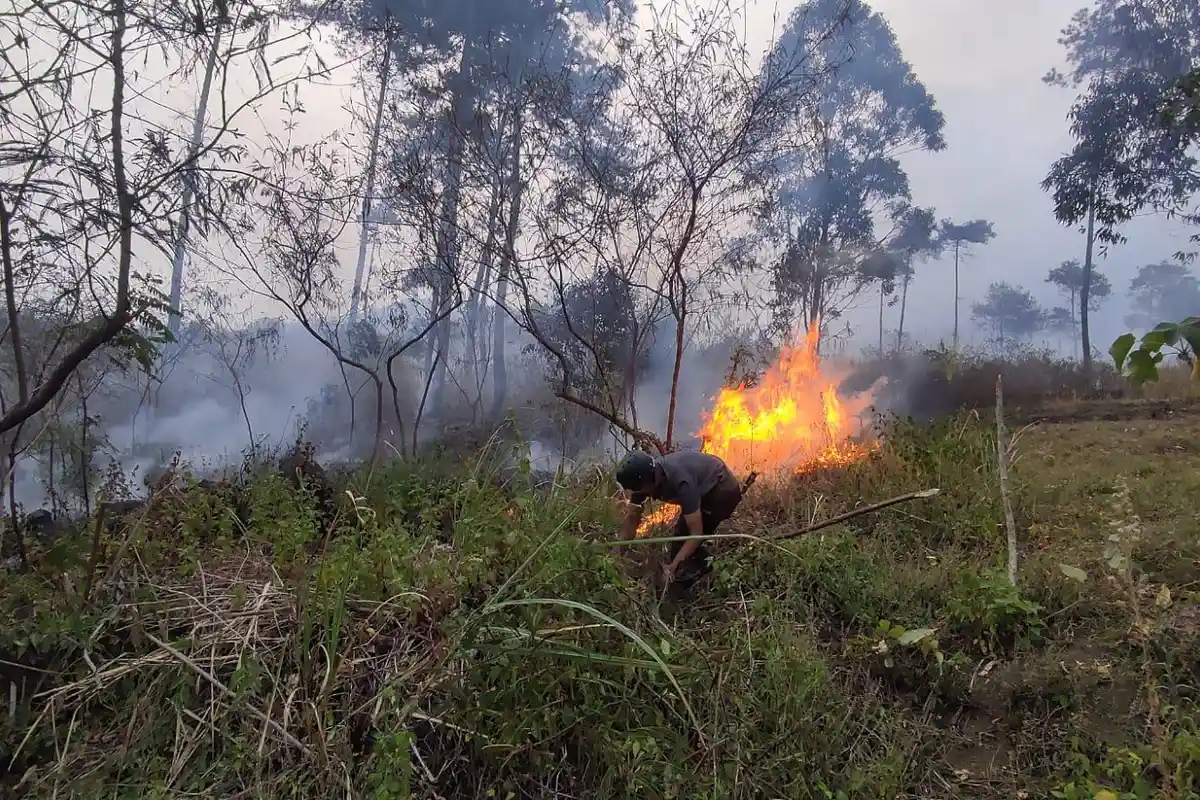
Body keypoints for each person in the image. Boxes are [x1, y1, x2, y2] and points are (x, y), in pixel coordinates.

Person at [615, 449, 743, 587]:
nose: (634, 493)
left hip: (722, 489)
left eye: (635, 489)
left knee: (685, 546)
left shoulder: (681, 483)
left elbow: (696, 534)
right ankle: (691, 567)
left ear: (646, 484)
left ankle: (706, 573)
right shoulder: (646, 478)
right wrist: (617, 553)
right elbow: (632, 519)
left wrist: (672, 567)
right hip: (700, 485)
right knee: (679, 541)